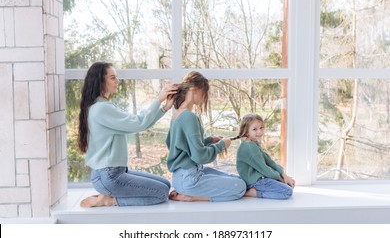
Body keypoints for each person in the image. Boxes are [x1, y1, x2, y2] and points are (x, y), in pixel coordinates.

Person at [78, 61, 177, 207]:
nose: (117, 81)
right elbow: (138, 122)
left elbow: (139, 125)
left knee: (165, 184)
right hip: (109, 176)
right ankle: (109, 200)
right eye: (113, 77)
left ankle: (106, 195)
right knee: (161, 193)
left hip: (113, 172)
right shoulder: (102, 109)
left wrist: (164, 109)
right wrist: (159, 99)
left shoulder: (100, 106)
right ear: (100, 80)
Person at [166, 71, 246, 202]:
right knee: (241, 187)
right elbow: (200, 156)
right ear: (194, 89)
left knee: (237, 179)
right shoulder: (189, 116)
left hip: (180, 177)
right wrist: (221, 145)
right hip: (190, 179)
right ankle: (191, 198)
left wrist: (209, 140)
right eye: (205, 92)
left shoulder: (176, 115)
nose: (205, 97)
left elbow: (178, 145)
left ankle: (186, 193)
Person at [235, 113, 295, 200]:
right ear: (246, 131)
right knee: (287, 191)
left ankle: (259, 189)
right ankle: (253, 193)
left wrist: (284, 175)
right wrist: (280, 178)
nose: (259, 131)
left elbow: (269, 161)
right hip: (255, 181)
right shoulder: (249, 148)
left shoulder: (253, 143)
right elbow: (264, 168)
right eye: (254, 129)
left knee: (288, 183)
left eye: (261, 128)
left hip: (260, 178)